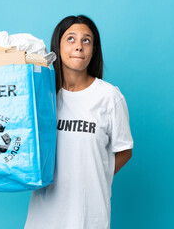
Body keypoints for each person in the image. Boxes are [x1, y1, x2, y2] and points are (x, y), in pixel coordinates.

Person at [24, 15, 134, 229]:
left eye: (86, 40)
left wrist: (96, 176)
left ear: (94, 49)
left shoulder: (109, 97)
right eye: (71, 39)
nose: (79, 47)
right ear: (58, 46)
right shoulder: (42, 94)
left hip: (89, 214)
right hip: (44, 214)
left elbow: (124, 150)